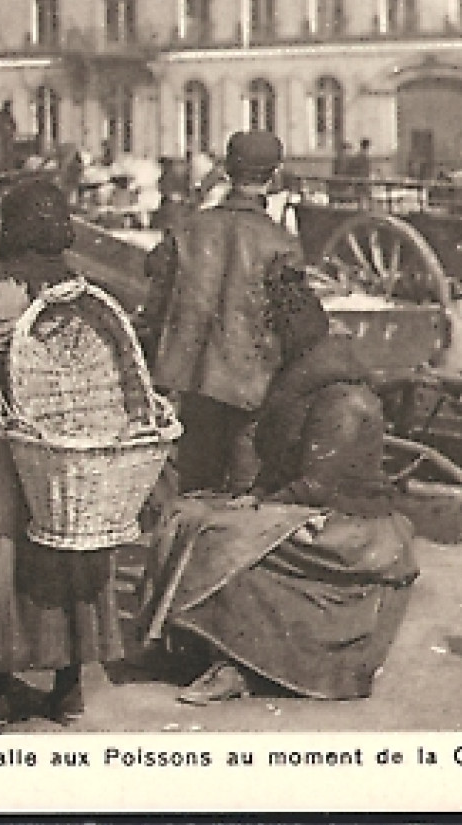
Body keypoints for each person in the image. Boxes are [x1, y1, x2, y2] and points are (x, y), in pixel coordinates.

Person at [137, 261, 420, 705]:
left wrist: (255, 504)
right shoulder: (297, 384)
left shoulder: (342, 399)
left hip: (352, 528)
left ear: (287, 337)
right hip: (310, 508)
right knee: (185, 513)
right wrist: (251, 494)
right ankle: (196, 646)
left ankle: (238, 665)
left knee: (222, 535)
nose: (258, 345)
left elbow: (316, 486)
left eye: (264, 336)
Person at [0, 178, 126, 729]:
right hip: (61, 441)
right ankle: (68, 685)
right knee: (62, 550)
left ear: (3, 226)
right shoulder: (80, 292)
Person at [138, 130, 304, 494]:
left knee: (194, 490)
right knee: (243, 502)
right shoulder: (280, 244)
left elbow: (154, 292)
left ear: (227, 170)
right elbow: (299, 328)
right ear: (274, 176)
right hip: (251, 394)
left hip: (192, 387)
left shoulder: (189, 229)